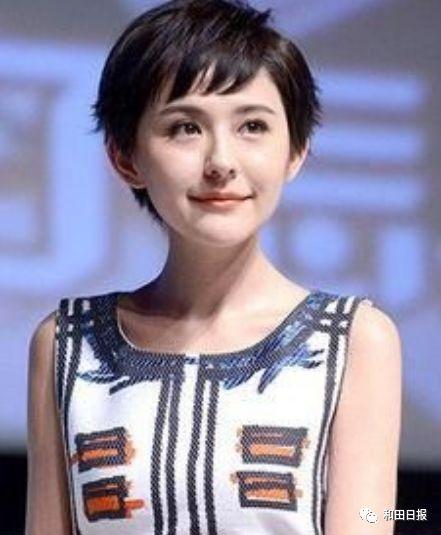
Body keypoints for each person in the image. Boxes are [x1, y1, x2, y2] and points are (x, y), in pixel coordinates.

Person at [25, 1, 402, 534]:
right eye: (185, 127)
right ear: (125, 158)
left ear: (296, 150)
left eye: (252, 126)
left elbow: (374, 518)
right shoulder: (67, 343)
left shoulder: (356, 340)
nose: (221, 162)